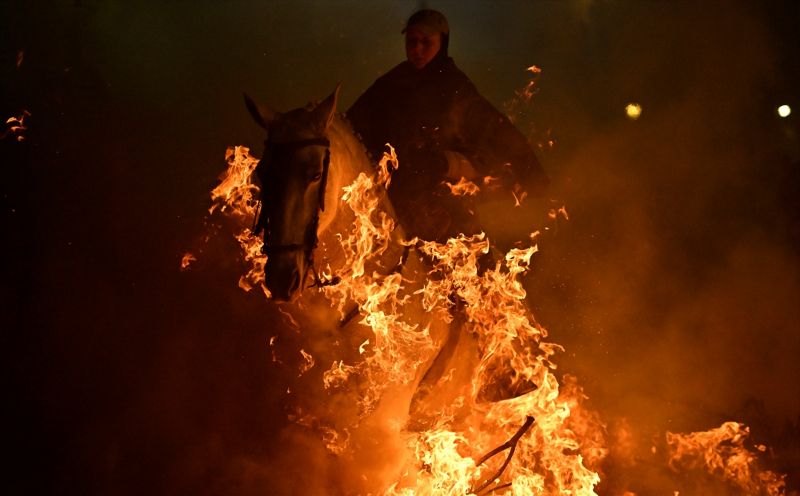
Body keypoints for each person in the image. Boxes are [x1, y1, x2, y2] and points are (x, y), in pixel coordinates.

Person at [347, 9, 550, 244]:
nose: (417, 49)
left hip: (443, 201)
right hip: (389, 199)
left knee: (466, 252)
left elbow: (493, 130)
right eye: (412, 42)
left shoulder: (455, 87)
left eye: (426, 42)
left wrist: (530, 170)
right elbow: (354, 122)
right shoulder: (392, 83)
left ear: (442, 43)